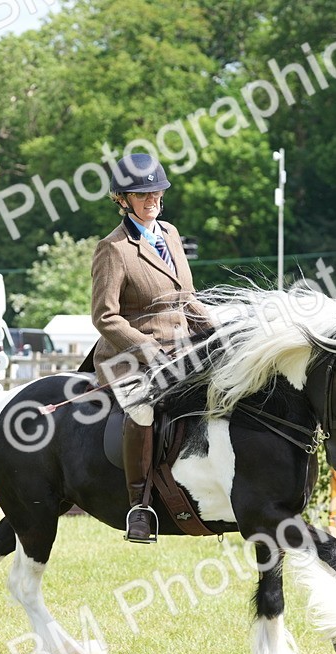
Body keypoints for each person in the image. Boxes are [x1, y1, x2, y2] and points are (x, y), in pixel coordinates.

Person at [90, 152, 208, 544]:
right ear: (122, 199)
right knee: (143, 406)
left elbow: (186, 298)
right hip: (132, 357)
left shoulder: (170, 234)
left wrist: (220, 330)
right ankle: (139, 505)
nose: (152, 199)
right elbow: (105, 317)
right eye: (142, 194)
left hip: (181, 349)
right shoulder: (114, 249)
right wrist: (145, 348)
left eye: (155, 191)